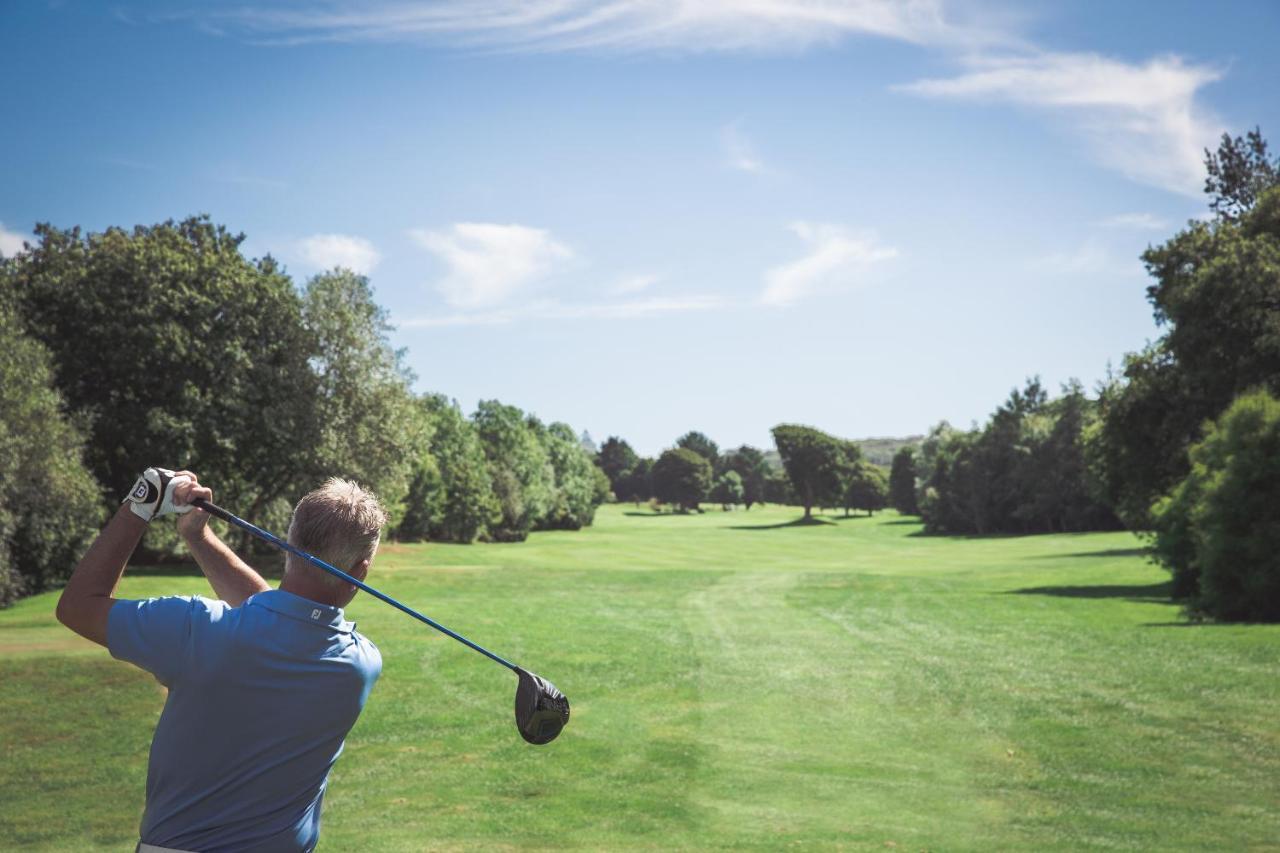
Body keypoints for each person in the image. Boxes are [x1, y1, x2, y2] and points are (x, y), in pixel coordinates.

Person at [56, 467, 386, 853]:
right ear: (360, 572)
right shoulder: (360, 663)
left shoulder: (195, 629)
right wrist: (198, 537)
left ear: (287, 543)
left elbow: (78, 607)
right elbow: (279, 616)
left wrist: (141, 502)